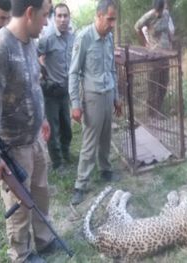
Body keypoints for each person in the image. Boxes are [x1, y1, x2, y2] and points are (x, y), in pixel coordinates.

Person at [0, 0, 62, 262]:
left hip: (35, 138)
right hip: (13, 148)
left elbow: (33, 87)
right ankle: (21, 253)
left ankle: (44, 240)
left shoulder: (30, 43)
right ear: (30, 13)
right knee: (18, 207)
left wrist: (43, 121)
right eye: (46, 15)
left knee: (40, 192)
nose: (47, 22)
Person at [69, 0, 122, 205]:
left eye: (114, 19)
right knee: (90, 142)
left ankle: (105, 170)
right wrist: (75, 103)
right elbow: (73, 73)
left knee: (106, 137)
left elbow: (112, 70)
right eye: (109, 19)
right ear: (99, 16)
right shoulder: (84, 38)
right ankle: (80, 185)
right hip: (91, 98)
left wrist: (116, 97)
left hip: (108, 94)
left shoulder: (109, 38)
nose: (112, 24)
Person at [38, 3, 73, 170]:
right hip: (51, 92)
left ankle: (66, 153)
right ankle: (57, 163)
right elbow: (34, 55)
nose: (62, 19)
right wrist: (43, 73)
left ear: (69, 17)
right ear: (54, 18)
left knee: (66, 126)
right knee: (53, 129)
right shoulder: (47, 37)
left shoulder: (71, 37)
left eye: (65, 15)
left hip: (65, 91)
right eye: (59, 16)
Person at [134, 0, 172, 117]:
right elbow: (136, 27)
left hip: (165, 54)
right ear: (154, 9)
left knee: (164, 82)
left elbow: (168, 30)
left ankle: (159, 109)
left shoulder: (166, 14)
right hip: (154, 55)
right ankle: (151, 113)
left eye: (160, 10)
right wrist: (145, 43)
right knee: (153, 84)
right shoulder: (149, 16)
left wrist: (171, 41)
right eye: (157, 11)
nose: (158, 13)